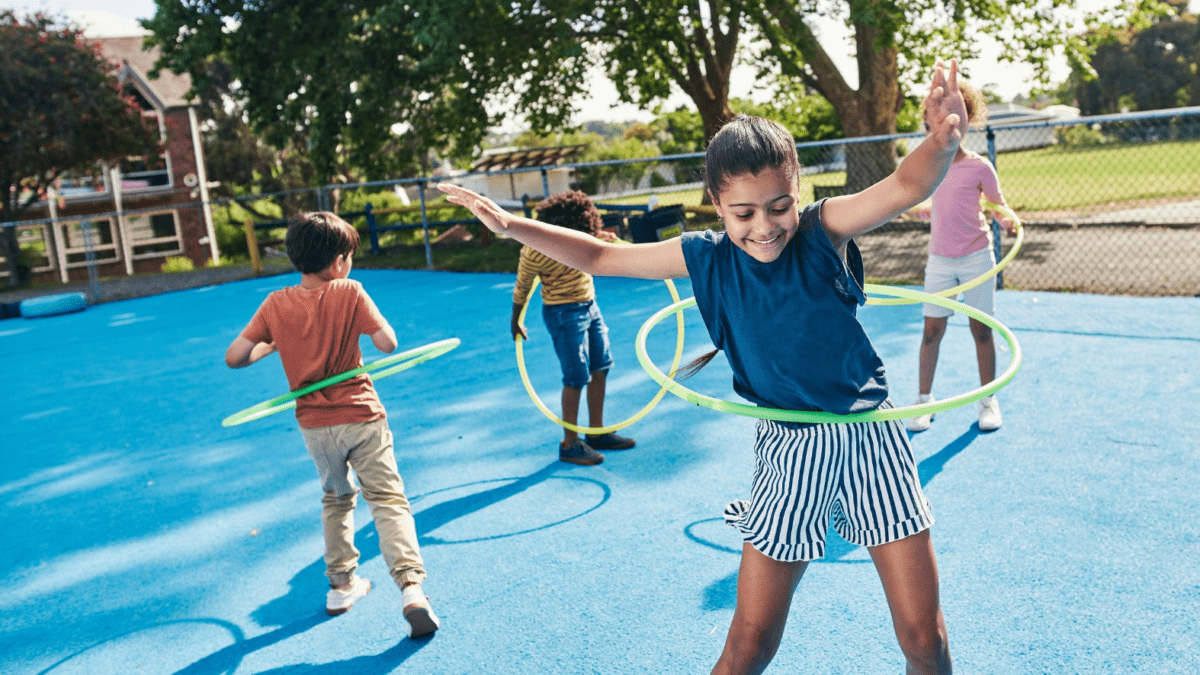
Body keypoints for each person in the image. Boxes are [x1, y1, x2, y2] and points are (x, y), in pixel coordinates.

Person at [441, 59, 968, 675]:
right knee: (750, 644)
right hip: (790, 449)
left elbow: (903, 187)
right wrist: (511, 226)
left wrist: (939, 142)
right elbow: (600, 258)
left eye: (778, 207)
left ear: (797, 190)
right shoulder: (705, 258)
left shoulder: (822, 232)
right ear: (716, 204)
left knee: (923, 640)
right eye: (743, 213)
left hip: (871, 436)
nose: (764, 227)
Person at [224, 212, 439, 638]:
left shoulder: (275, 303)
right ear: (339, 261)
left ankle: (341, 587)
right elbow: (388, 344)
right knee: (388, 500)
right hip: (360, 413)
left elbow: (235, 357)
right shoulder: (349, 290)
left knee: (337, 499)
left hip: (315, 425)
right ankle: (412, 589)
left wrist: (275, 341)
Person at [905, 81, 1018, 434]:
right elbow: (932, 204)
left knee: (981, 331)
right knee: (931, 332)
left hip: (976, 257)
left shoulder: (980, 167)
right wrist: (914, 211)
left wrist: (1007, 219)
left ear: (967, 120)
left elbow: (997, 206)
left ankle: (988, 399)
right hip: (940, 260)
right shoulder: (928, 166)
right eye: (933, 118)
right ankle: (924, 400)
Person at [510, 190, 636, 466]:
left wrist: (612, 240)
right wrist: (516, 319)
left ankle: (596, 432)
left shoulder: (584, 238)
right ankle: (569, 442)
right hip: (562, 313)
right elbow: (522, 287)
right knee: (576, 376)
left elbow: (602, 243)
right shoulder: (535, 250)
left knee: (601, 366)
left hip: (590, 305)